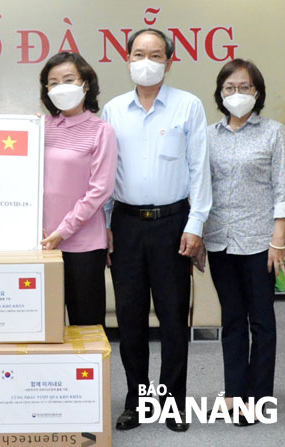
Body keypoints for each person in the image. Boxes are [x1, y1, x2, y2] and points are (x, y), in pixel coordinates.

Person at [101, 29, 211, 432]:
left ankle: (173, 402)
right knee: (129, 319)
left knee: (171, 318)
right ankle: (137, 400)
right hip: (126, 225)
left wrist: (195, 224)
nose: (147, 60)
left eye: (156, 54)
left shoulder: (188, 106)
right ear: (127, 57)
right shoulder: (112, 110)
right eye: (139, 53)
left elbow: (200, 170)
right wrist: (106, 225)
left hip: (173, 226)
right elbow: (105, 174)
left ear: (170, 60)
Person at [202, 59, 285, 426]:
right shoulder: (208, 135)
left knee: (262, 322)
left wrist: (279, 240)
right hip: (221, 239)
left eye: (244, 87)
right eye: (229, 88)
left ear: (257, 92)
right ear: (220, 93)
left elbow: (283, 189)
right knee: (233, 321)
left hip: (260, 242)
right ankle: (235, 395)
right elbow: (200, 188)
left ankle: (259, 399)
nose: (236, 94)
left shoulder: (274, 132)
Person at [39, 52, 117, 327]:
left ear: (86, 84)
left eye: (68, 80)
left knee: (86, 327)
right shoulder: (39, 127)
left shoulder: (101, 130)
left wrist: (64, 231)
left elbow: (100, 190)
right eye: (53, 82)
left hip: (82, 243)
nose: (61, 87)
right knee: (41, 326)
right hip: (41, 242)